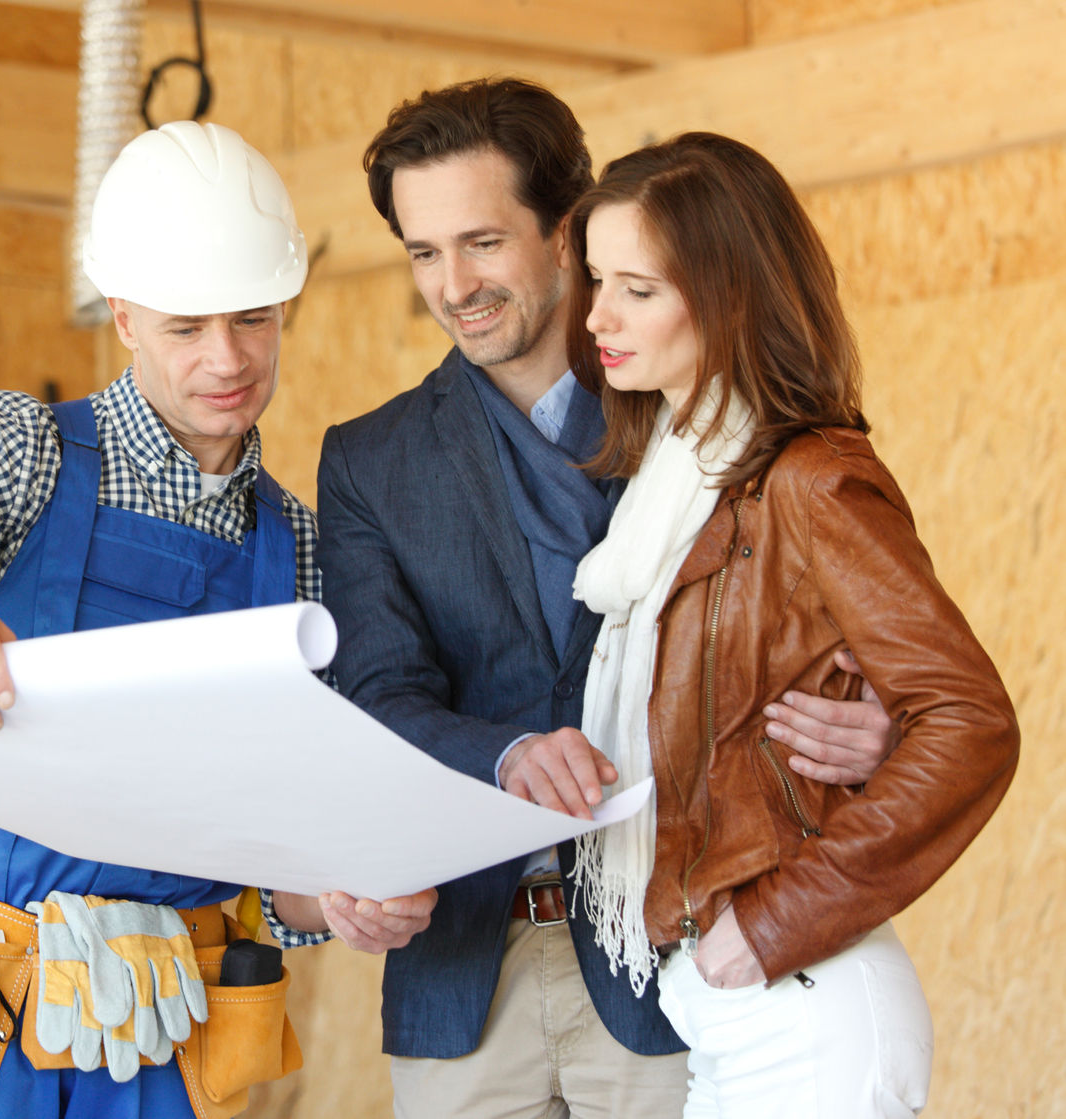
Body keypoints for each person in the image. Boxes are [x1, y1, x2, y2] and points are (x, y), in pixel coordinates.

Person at [263, 79, 902, 1119]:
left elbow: (834, 637)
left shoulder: (702, 414)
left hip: (675, 964)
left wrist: (878, 724)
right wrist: (506, 752)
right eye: (423, 253)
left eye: (482, 242)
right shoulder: (369, 461)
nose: (453, 285)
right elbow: (378, 696)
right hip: (461, 970)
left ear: (567, 232)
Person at [0, 121, 431, 1119]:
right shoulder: (21, 450)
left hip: (154, 1050)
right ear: (125, 317)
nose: (226, 358)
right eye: (186, 329)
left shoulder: (303, 558)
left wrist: (339, 898)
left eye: (252, 319)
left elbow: (274, 863)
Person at [568, 130, 1018, 1117]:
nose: (597, 314)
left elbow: (970, 722)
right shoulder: (667, 489)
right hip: (722, 1007)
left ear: (726, 297)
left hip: (802, 1004)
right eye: (597, 280)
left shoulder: (811, 482)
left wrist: (774, 924)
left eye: (637, 288)